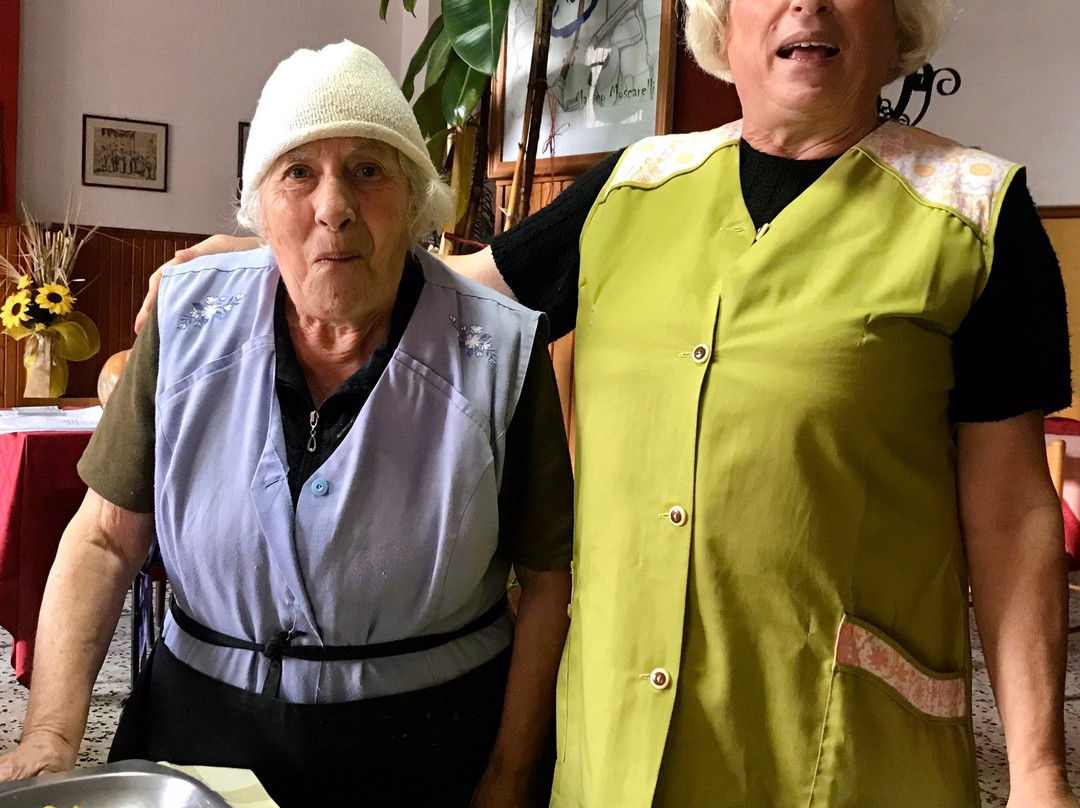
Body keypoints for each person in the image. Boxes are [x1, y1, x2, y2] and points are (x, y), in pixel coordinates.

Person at [133, 0, 1078, 805]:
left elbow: (1011, 509)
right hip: (618, 731)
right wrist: (273, 256)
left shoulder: (974, 218)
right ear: (724, 26)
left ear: (897, 23)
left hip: (839, 733)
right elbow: (450, 288)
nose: (807, 3)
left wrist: (1036, 768)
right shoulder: (630, 188)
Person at [0, 41, 574, 808]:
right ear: (260, 208)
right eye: (298, 173)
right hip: (201, 739)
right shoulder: (186, 319)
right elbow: (104, 538)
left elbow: (547, 582)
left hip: (428, 749)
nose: (333, 206)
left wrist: (509, 777)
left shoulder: (502, 349)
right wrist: (49, 731)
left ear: (414, 202)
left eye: (367, 170)